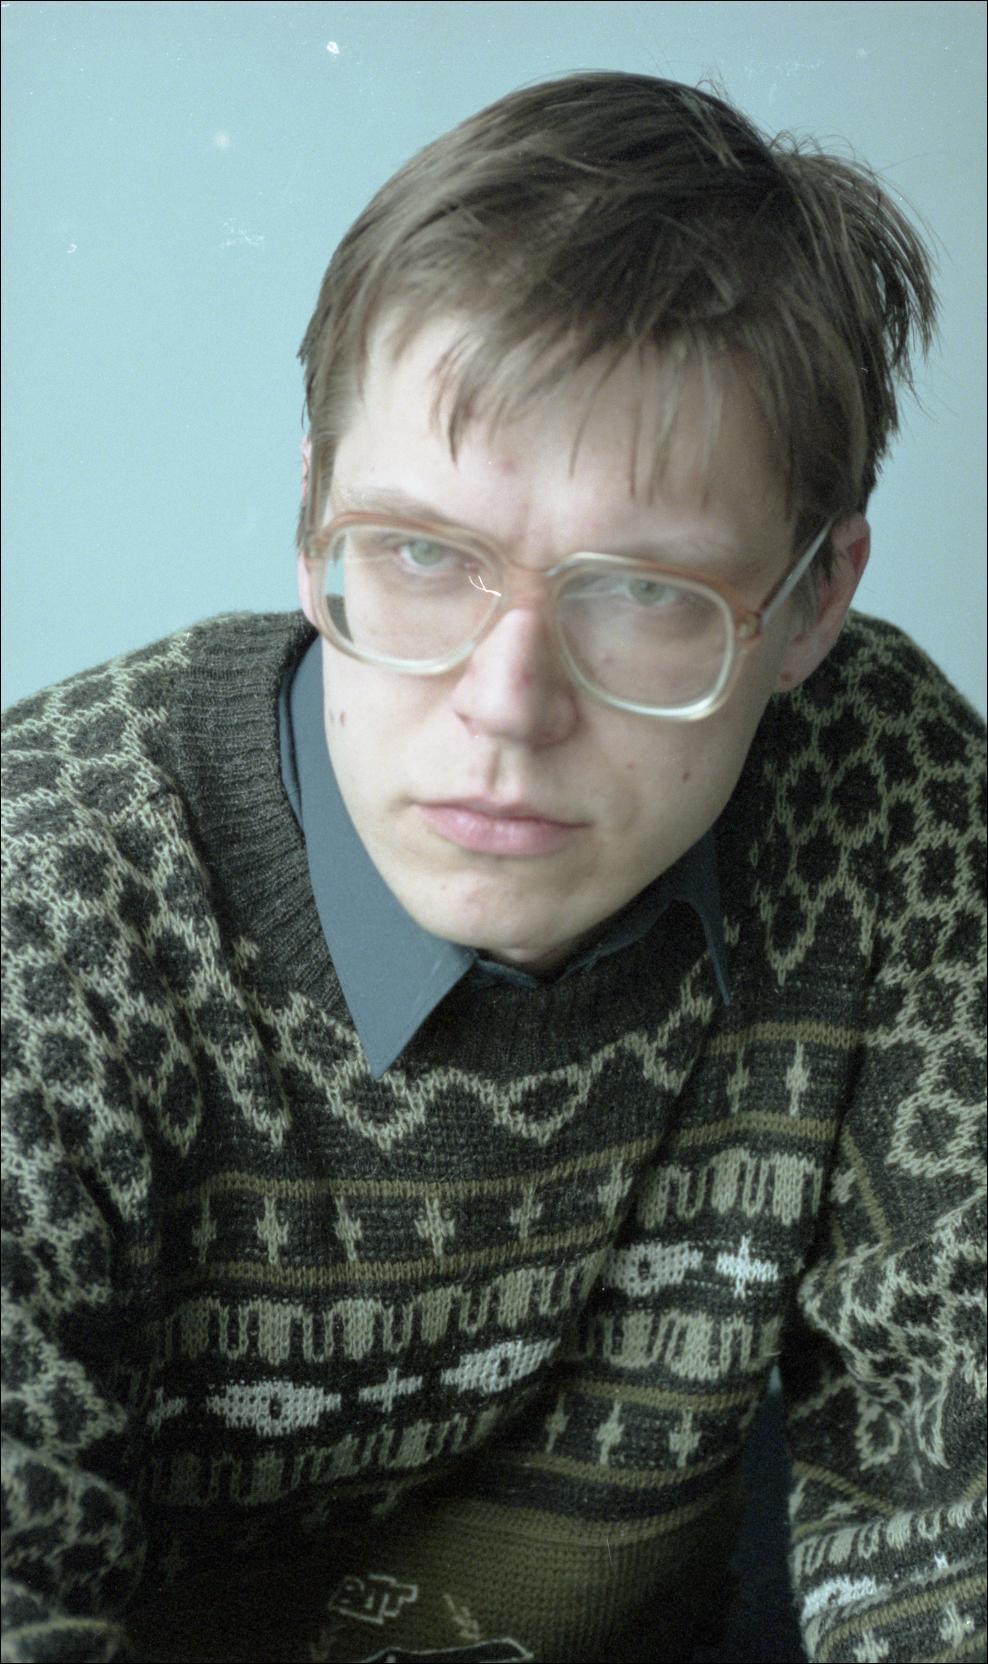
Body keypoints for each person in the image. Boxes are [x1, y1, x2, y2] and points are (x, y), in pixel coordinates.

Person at [1, 71, 984, 1664]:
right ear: (309, 520)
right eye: (419, 554)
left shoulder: (887, 794)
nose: (507, 706)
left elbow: (954, 1495)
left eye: (644, 592)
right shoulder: (44, 908)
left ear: (814, 603)